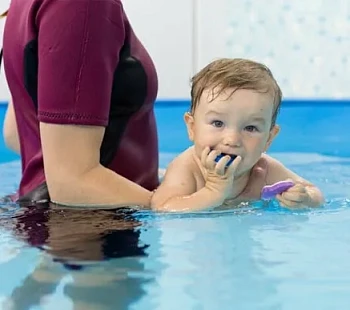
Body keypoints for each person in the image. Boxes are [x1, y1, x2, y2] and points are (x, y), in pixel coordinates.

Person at [1, 0, 160, 208]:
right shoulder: (83, 4)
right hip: (91, 228)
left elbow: (16, 134)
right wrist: (176, 203)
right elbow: (71, 179)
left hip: (46, 219)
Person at [151, 58, 324, 212]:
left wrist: (303, 198)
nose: (232, 140)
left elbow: (315, 193)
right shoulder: (187, 168)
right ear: (192, 128)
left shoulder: (264, 170)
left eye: (250, 128)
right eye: (218, 123)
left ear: (269, 139)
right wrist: (213, 192)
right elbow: (162, 207)